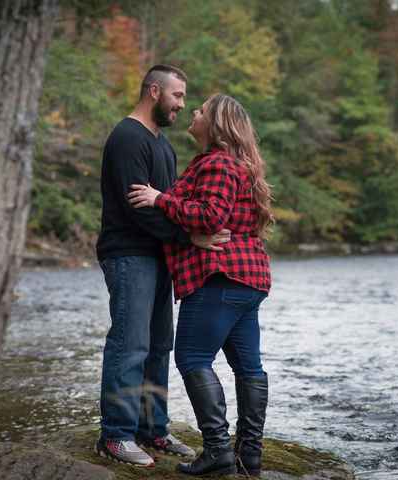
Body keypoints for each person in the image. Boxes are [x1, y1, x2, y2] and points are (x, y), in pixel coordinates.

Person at [128, 93, 273, 477]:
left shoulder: (218, 164)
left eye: (202, 111)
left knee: (192, 358)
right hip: (248, 280)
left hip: (219, 277)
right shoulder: (236, 163)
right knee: (249, 366)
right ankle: (249, 455)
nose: (194, 112)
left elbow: (210, 217)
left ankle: (218, 450)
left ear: (216, 124)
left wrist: (159, 199)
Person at [95, 65, 231, 467]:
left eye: (185, 99)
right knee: (129, 344)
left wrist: (186, 233)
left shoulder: (164, 146)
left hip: (158, 257)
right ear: (154, 91)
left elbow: (168, 205)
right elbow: (139, 209)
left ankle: (152, 429)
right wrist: (188, 237)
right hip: (128, 253)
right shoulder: (127, 137)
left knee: (158, 346)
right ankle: (116, 435)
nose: (182, 105)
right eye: (177, 96)